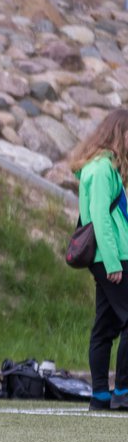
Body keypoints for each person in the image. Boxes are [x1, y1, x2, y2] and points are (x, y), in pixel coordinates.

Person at [70, 108, 128, 411]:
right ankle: (122, 390)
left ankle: (100, 396)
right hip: (112, 258)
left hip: (112, 256)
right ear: (120, 134)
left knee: (105, 325)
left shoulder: (105, 168)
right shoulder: (102, 169)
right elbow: (101, 221)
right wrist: (113, 263)